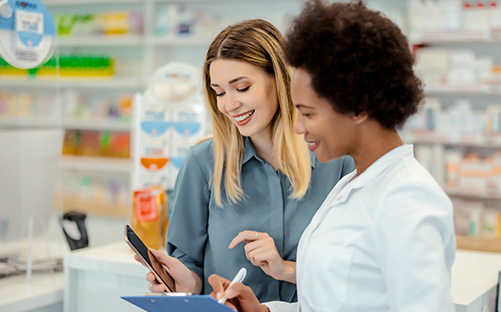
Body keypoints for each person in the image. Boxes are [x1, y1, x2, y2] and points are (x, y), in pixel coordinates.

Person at [207, 1, 457, 311]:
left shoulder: (408, 199)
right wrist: (262, 311)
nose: (298, 127)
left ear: (358, 107)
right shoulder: (354, 184)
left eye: (308, 114)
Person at [139, 18, 354, 303]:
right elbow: (191, 271)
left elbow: (355, 270)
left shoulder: (338, 161)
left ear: (281, 80)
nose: (228, 105)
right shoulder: (203, 164)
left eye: (241, 88)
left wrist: (289, 270)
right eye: (219, 92)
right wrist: (183, 281)